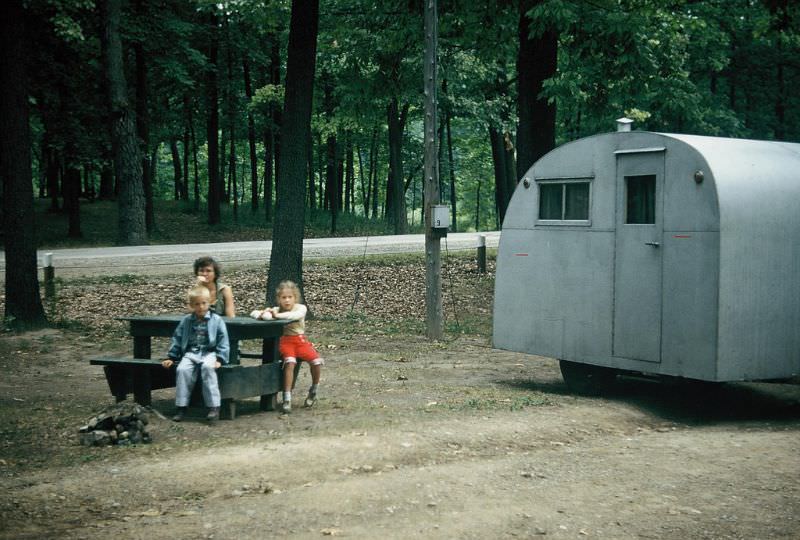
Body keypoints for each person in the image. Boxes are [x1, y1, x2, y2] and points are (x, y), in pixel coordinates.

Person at [250, 280, 323, 414]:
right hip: (285, 341)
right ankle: (287, 398)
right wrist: (263, 313)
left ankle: (313, 390)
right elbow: (254, 313)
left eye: (290, 297)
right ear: (279, 299)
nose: (287, 300)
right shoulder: (276, 309)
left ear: (295, 298)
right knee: (290, 362)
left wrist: (275, 316)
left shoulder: (300, 308)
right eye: (284, 297)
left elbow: (294, 316)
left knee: (316, 362)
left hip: (300, 341)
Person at [162, 285, 230, 423]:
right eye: (197, 304)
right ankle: (181, 406)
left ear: (210, 302)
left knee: (207, 368)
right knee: (182, 370)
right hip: (191, 353)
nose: (200, 307)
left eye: (204, 303)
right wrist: (172, 357)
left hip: (209, 352)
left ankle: (213, 407)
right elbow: (178, 338)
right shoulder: (186, 320)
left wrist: (220, 359)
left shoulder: (216, 320)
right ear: (192, 305)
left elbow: (223, 340)